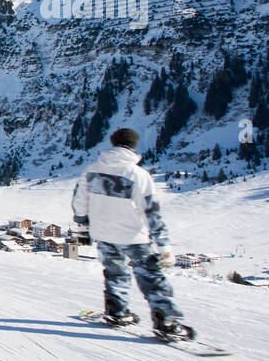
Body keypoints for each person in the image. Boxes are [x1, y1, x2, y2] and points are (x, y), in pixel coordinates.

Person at [72, 127, 193, 341]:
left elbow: (80, 201)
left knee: (115, 274)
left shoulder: (92, 170)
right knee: (152, 279)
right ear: (133, 146)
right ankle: (166, 322)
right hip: (134, 237)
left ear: (113, 143)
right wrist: (164, 246)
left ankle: (117, 313)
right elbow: (151, 212)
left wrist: (82, 227)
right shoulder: (138, 175)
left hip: (104, 234)